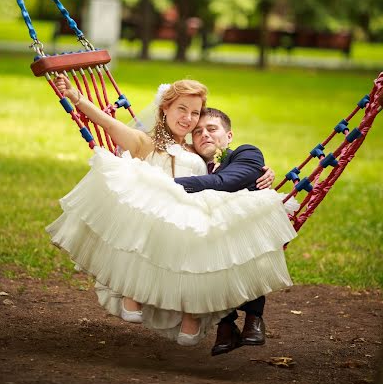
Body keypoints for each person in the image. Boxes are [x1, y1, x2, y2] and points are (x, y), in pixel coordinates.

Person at [47, 77, 298, 346]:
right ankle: (135, 292)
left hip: (193, 223)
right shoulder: (147, 143)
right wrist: (76, 98)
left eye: (195, 113)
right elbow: (109, 123)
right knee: (154, 223)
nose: (189, 119)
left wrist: (264, 173)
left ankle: (195, 317)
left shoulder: (199, 153)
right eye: (182, 109)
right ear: (165, 108)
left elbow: (224, 178)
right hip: (159, 215)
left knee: (206, 244)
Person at [174, 107, 272, 356]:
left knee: (242, 239)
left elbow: (223, 182)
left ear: (229, 136)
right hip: (207, 237)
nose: (204, 134)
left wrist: (165, 184)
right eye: (197, 132)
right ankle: (226, 325)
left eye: (212, 129)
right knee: (200, 251)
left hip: (247, 230)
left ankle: (253, 318)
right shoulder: (192, 166)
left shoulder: (246, 153)